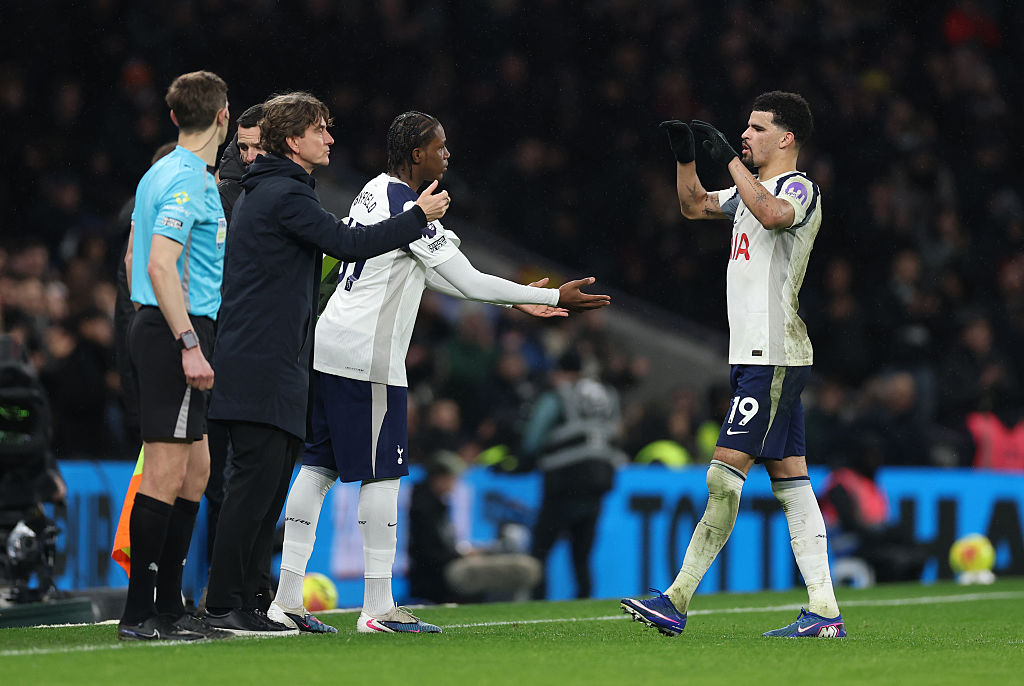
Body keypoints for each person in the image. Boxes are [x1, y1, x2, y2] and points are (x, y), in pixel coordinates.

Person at [268, 110, 610, 635]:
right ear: (415, 155)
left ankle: (286, 598)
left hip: (330, 346)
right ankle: (379, 607)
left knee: (318, 466)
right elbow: (469, 280)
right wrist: (547, 295)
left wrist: (521, 305)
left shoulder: (375, 191)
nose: (447, 155)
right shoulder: (411, 209)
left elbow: (438, 276)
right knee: (382, 474)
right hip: (370, 356)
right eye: (439, 147)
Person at [203, 93, 451, 636]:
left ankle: (255, 599)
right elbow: (346, 243)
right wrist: (416, 218)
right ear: (293, 141)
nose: (330, 138)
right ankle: (224, 605)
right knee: (250, 488)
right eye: (319, 129)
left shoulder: (277, 192)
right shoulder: (280, 193)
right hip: (260, 363)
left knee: (268, 487)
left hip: (280, 361)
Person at [620, 91, 846, 638]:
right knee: (792, 480)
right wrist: (685, 158)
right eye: (743, 128)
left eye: (756, 128)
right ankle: (824, 612)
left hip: (773, 354)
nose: (744, 135)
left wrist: (729, 162)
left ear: (786, 138)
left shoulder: (798, 188)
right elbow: (693, 204)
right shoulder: (748, 189)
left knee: (724, 472)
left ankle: (676, 598)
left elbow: (771, 216)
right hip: (757, 356)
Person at [118, 70, 232, 641]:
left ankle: (168, 603)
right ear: (223, 117)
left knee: (197, 469)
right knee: (165, 470)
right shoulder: (188, 180)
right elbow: (161, 263)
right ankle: (142, 612)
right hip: (177, 331)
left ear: (173, 117)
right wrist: (187, 342)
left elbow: (136, 253)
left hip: (164, 327)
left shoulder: (158, 172)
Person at [523, 349, 627, 599]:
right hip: (597, 482)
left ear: (560, 372)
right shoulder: (607, 395)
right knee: (582, 555)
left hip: (562, 482)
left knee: (541, 550)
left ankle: (537, 604)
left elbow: (534, 437)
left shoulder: (559, 395)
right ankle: (584, 604)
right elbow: (616, 433)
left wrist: (526, 455)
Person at [407, 451, 541, 604]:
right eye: (452, 479)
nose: (454, 485)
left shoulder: (431, 503)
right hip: (439, 575)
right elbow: (430, 553)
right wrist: (463, 555)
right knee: (525, 568)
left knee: (518, 565)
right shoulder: (424, 507)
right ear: (439, 478)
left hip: (443, 568)